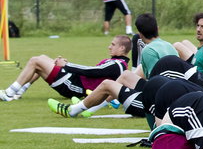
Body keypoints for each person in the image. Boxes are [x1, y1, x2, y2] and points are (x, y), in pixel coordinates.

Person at [1, 36, 131, 101]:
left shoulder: (117, 65)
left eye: (113, 45)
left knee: (36, 61)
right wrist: (66, 65)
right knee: (42, 58)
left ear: (122, 49)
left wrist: (66, 65)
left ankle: (9, 93)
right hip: (75, 81)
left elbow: (92, 71)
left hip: (75, 86)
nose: (109, 47)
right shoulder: (116, 62)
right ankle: (18, 92)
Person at [134, 13, 179, 78]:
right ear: (157, 29)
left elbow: (155, 79)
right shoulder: (170, 46)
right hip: (178, 83)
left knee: (126, 76)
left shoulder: (148, 50)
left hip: (164, 85)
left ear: (140, 34)